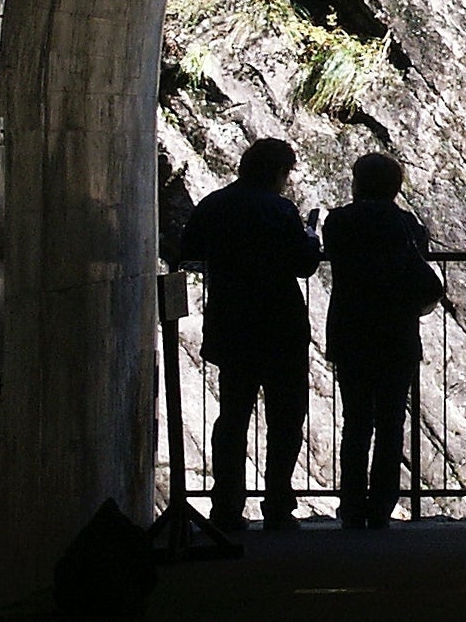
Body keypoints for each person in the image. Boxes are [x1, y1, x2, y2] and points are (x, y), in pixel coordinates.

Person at [177, 137, 321, 531]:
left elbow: (187, 250)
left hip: (232, 323)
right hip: (281, 326)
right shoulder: (280, 210)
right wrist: (310, 238)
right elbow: (304, 265)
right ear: (278, 172)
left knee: (233, 418)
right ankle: (278, 504)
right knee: (285, 418)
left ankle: (226, 506)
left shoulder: (215, 204)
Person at [323, 153, 445, 528]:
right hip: (398, 331)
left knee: (356, 420)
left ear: (357, 182)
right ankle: (382, 505)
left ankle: (351, 504)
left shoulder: (339, 222)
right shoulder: (408, 225)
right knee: (392, 420)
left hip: (352, 329)